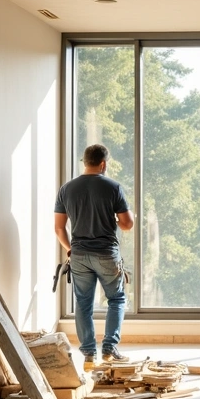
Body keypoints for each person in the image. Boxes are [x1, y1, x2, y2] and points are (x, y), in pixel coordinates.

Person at [54, 144, 134, 369]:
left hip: (79, 254)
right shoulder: (113, 187)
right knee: (116, 299)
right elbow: (127, 224)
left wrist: (70, 249)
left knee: (83, 303)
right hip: (107, 253)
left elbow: (59, 228)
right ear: (103, 164)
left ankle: (89, 355)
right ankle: (109, 349)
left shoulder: (66, 189)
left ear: (84, 162)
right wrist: (118, 220)